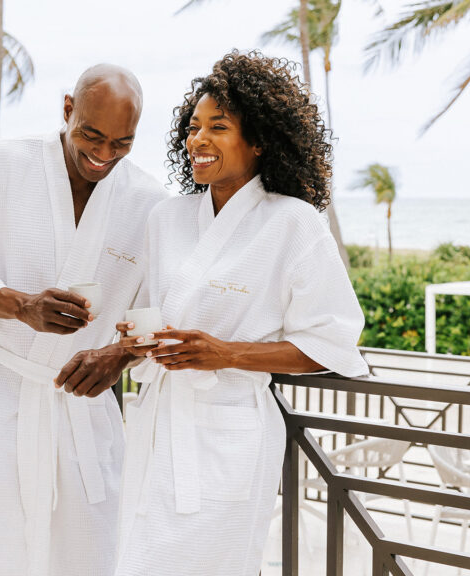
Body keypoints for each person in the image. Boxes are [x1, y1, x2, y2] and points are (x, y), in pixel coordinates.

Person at [112, 51, 369, 576]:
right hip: (155, 427)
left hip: (229, 440)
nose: (197, 140)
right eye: (192, 127)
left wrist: (226, 354)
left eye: (218, 127)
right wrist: (137, 342)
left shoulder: (293, 225)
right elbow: (153, 308)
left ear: (259, 142)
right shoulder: (167, 218)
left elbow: (332, 342)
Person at [0, 64, 167, 576]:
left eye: (121, 143)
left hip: (81, 406)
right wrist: (21, 305)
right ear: (67, 110)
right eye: (91, 136)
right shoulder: (2, 164)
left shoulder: (148, 202)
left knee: (87, 551)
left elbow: (157, 308)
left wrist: (120, 355)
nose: (103, 155)